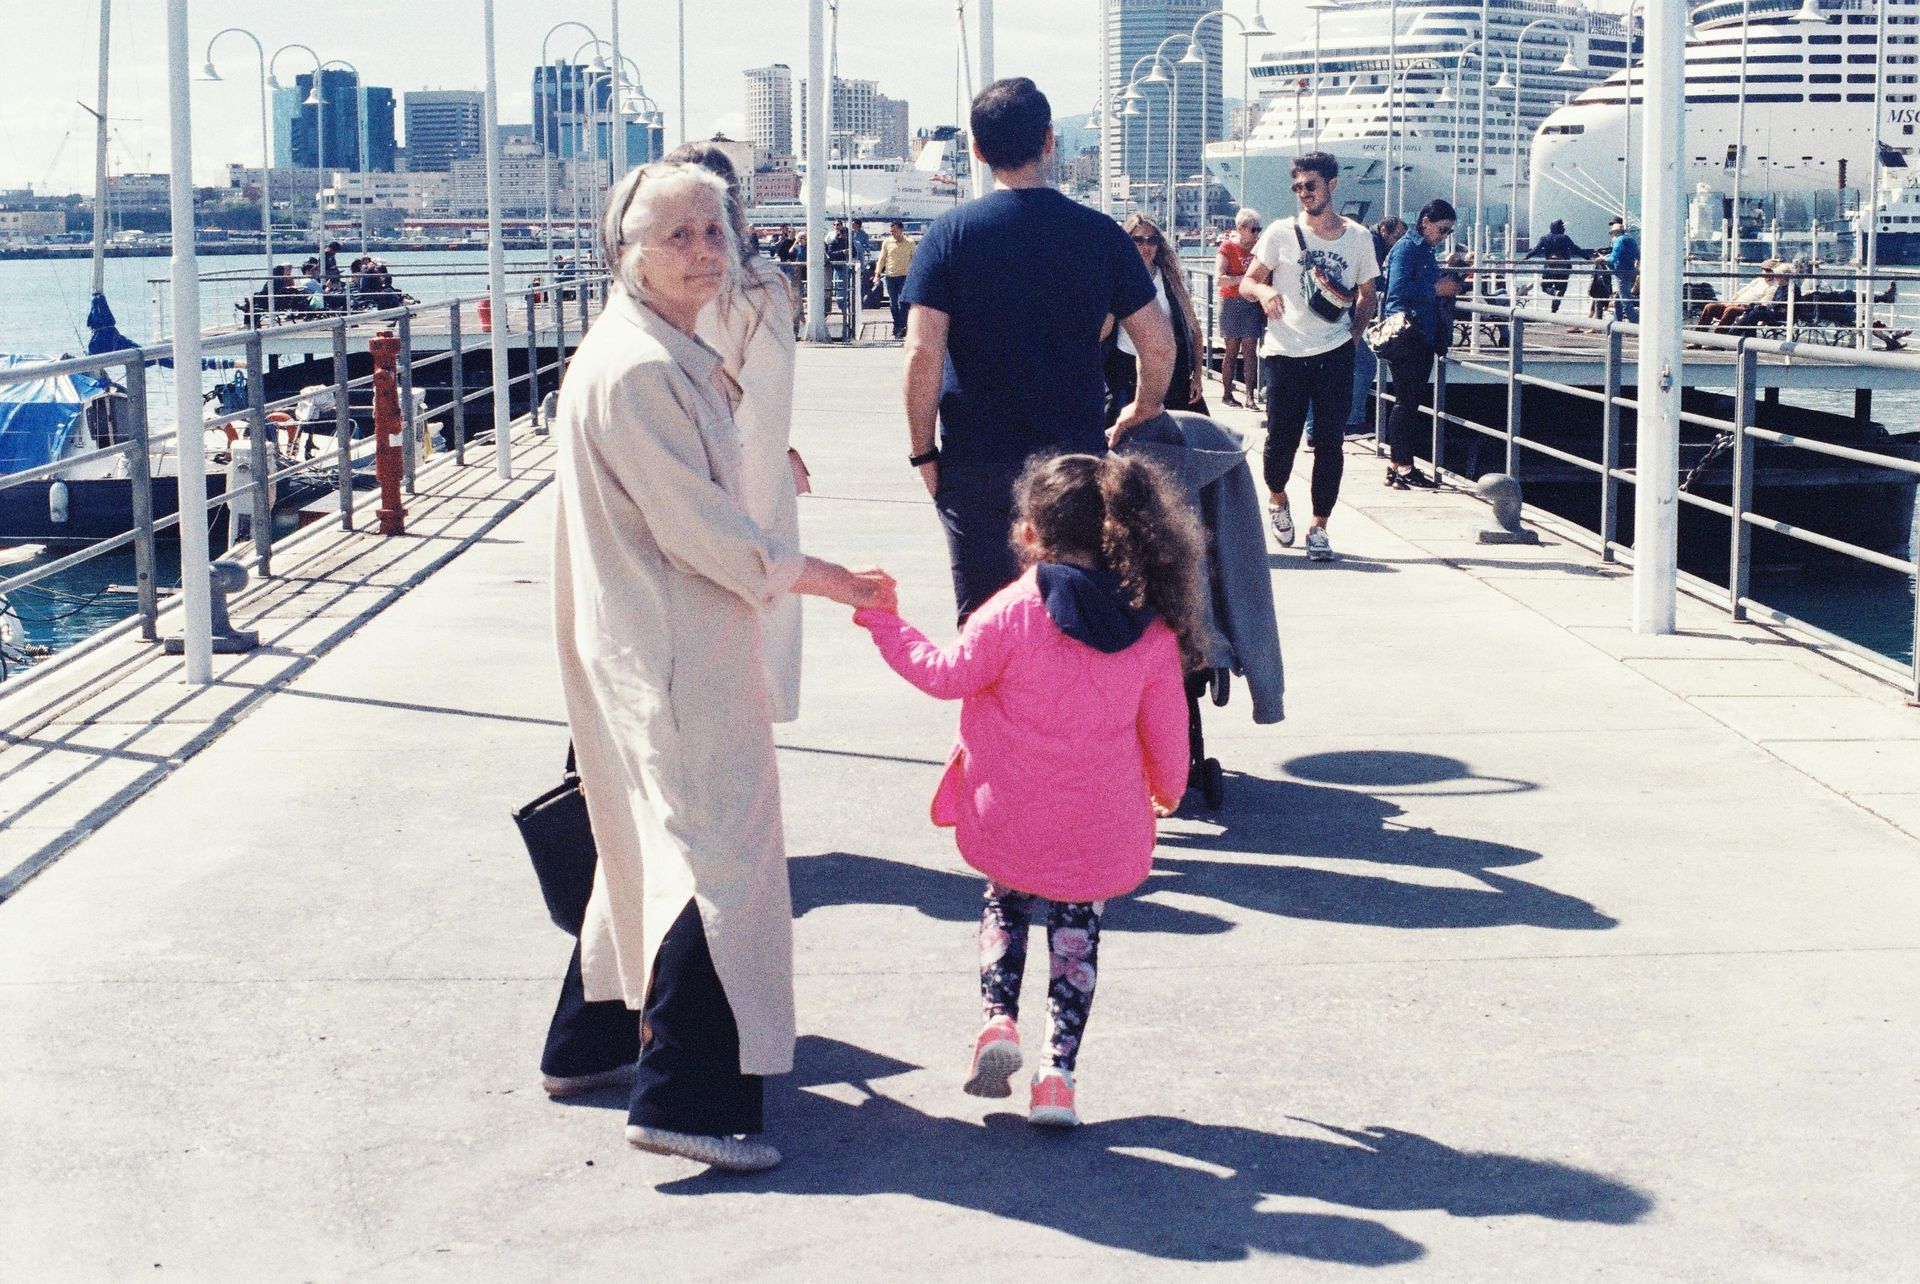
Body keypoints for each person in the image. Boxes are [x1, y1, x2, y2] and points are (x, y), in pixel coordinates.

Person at [543, 160, 895, 1173]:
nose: (704, 250)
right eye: (678, 236)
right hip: (675, 642)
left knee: (646, 837)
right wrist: (830, 580)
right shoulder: (643, 369)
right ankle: (689, 1099)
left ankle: (594, 1038)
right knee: (722, 857)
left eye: (713, 230)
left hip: (649, 635)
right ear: (627, 253)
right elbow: (707, 536)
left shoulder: (647, 349)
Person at [852, 452, 1203, 1128]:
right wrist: (1168, 789)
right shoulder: (1152, 629)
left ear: (1032, 534)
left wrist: (885, 620)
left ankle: (996, 1023)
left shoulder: (1012, 611)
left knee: (1005, 906)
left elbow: (944, 674)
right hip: (1099, 821)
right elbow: (1169, 737)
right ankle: (1056, 1079)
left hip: (1007, 810)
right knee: (1077, 936)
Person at [901, 76, 1172, 622]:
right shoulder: (1101, 235)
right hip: (1072, 462)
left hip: (975, 460)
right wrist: (1143, 408)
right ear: (1050, 140)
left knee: (985, 624)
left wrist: (924, 453)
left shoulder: (949, 235)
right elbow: (1158, 345)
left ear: (977, 151)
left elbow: (922, 353)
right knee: (1072, 619)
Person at [668, 139, 810, 723]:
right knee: (749, 646)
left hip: (669, 469)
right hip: (742, 474)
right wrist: (744, 516)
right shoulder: (759, 286)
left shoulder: (643, 286)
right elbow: (765, 404)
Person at [1240, 151, 1379, 563]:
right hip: (1285, 353)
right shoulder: (1280, 233)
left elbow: (1367, 295)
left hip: (1334, 352)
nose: (1304, 193)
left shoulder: (1358, 238)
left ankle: (1320, 527)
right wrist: (1265, 292)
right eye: (1297, 187)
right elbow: (1248, 281)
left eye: (1311, 185)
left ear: (1332, 185)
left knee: (1330, 443)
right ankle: (1278, 497)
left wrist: (1355, 334)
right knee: (1281, 440)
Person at [1379, 198, 1464, 491]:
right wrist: (1435, 288)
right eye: (1442, 229)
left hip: (1421, 335)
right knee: (1406, 403)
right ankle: (1403, 466)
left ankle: (1398, 466)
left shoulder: (1424, 249)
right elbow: (1396, 290)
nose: (1444, 237)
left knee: (1408, 403)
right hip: (1409, 336)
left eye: (1448, 232)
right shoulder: (1408, 248)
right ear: (1426, 221)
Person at [1105, 214, 1207, 424]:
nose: (1146, 246)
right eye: (1138, 240)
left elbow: (1194, 330)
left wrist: (1197, 375)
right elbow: (1103, 331)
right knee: (1116, 435)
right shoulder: (1115, 279)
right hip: (1124, 369)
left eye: (1152, 240)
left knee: (1181, 435)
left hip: (1166, 368)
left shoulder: (1171, 280)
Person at [1346, 215, 1407, 437]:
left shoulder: (1373, 242)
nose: (1398, 241)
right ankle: (1352, 421)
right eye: (1397, 236)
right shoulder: (1373, 243)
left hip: (1342, 311)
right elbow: (1370, 279)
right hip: (1347, 312)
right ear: (1384, 231)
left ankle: (1331, 423)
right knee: (1364, 364)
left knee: (1346, 366)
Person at [1214, 208, 1264, 408]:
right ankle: (1227, 394)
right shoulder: (1227, 248)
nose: (1256, 234)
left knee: (1250, 350)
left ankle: (1250, 396)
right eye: (1253, 229)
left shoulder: (1258, 248)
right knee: (1232, 350)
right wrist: (1245, 280)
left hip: (1251, 303)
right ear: (1240, 228)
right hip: (1231, 303)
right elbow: (1220, 279)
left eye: (1258, 230)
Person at [1696, 260, 1791, 336]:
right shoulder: (1758, 280)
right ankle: (1697, 338)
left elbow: (1763, 304)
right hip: (1734, 304)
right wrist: (1731, 301)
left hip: (1746, 308)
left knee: (1730, 310)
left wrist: (1743, 305)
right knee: (1710, 307)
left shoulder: (1774, 287)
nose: (1765, 272)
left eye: (1769, 270)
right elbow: (1740, 292)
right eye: (1764, 269)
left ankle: (1718, 340)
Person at [1523, 219, 1587, 314]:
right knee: (1561, 290)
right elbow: (1575, 249)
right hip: (1564, 268)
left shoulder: (1544, 238)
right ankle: (1554, 311)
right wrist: (1588, 258)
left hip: (1549, 267)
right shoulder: (1565, 238)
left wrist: (1525, 258)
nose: (1564, 228)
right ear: (1560, 228)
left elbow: (1536, 250)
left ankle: (1553, 293)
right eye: (1563, 227)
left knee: (1545, 286)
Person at [871, 219, 917, 339]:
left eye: (895, 231)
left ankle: (902, 327)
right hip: (890, 276)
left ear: (901, 230)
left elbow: (915, 259)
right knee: (893, 304)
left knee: (903, 303)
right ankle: (896, 325)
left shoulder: (910, 243)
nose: (893, 233)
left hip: (904, 276)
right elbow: (882, 259)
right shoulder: (887, 242)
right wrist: (877, 274)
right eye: (891, 231)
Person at [1607, 217, 1640, 322]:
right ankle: (1618, 324)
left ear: (1615, 232)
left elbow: (1613, 258)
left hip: (1621, 273)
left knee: (1625, 301)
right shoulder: (1630, 239)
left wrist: (1603, 258)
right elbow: (1638, 256)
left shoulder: (1619, 240)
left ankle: (1635, 325)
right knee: (1618, 300)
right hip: (1631, 271)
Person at [1587, 248, 1613, 319]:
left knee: (1598, 307)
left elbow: (1603, 279)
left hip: (1600, 288)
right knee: (1595, 307)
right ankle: (1587, 323)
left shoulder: (1601, 264)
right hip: (1599, 288)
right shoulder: (1602, 265)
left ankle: (1596, 328)